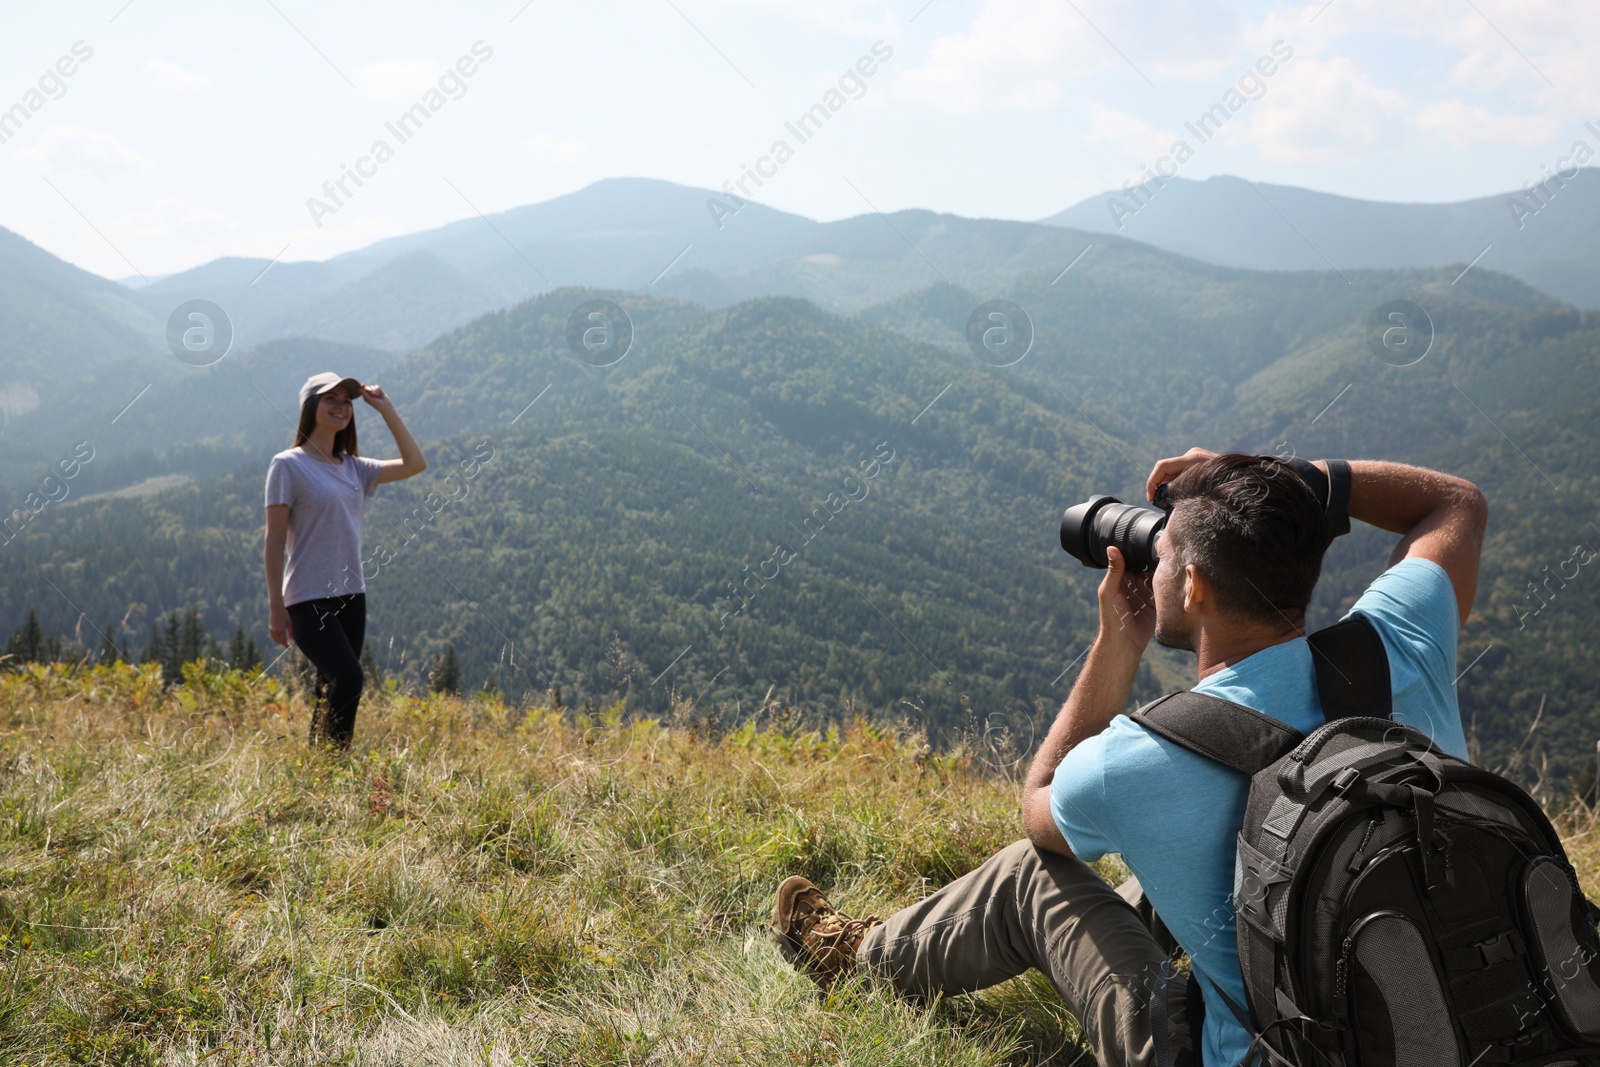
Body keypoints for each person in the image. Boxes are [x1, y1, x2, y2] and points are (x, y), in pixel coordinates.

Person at [772, 449, 1488, 1067]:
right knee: (1207, 871)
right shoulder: (1399, 640)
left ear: (1195, 584)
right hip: (1458, 1025)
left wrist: (1117, 643)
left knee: (1032, 876)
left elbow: (1039, 802)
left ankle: (857, 958)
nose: (1156, 558)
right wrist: (1281, 478)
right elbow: (1454, 501)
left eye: (1165, 550)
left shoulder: (1143, 758)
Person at [264, 372, 427, 748]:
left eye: (346, 401)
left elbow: (415, 463)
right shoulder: (287, 465)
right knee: (348, 679)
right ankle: (335, 762)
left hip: (352, 595)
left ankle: (317, 768)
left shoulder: (354, 467)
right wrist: (276, 607)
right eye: (329, 399)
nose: (340, 406)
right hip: (307, 596)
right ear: (310, 408)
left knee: (329, 683)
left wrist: (386, 410)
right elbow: (273, 539)